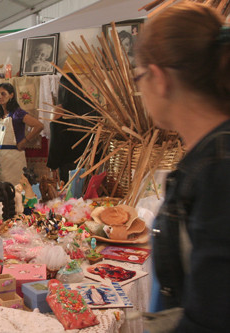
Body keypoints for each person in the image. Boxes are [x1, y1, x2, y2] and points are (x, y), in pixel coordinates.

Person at [135, 3, 230, 331]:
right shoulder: (209, 158)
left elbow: (213, 315)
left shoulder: (217, 169)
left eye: (139, 76)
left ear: (159, 78)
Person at [47, 73, 95, 183]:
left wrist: (52, 166)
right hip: (91, 163)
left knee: (71, 199)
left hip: (68, 167)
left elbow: (56, 142)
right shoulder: (92, 107)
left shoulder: (59, 110)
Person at [0, 82, 43, 186]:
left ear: (11, 95)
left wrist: (24, 141)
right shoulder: (1, 115)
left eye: (3, 94)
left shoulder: (17, 113)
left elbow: (39, 126)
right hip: (2, 160)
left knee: (16, 188)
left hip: (14, 158)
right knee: (2, 188)